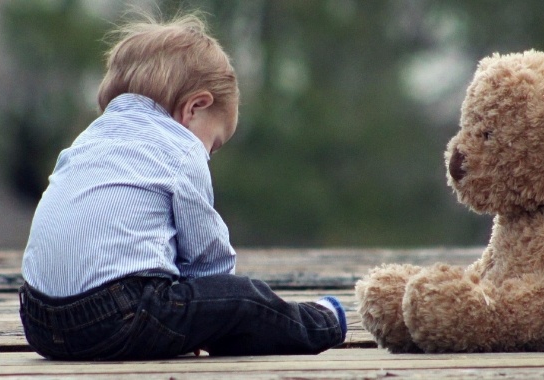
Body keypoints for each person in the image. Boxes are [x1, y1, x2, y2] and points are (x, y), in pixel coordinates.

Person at [18, 12, 346, 361]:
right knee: (245, 299)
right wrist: (215, 312)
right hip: (117, 317)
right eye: (214, 144)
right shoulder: (181, 148)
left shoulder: (87, 140)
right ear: (195, 107)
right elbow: (208, 259)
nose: (208, 155)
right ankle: (322, 322)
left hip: (39, 322)